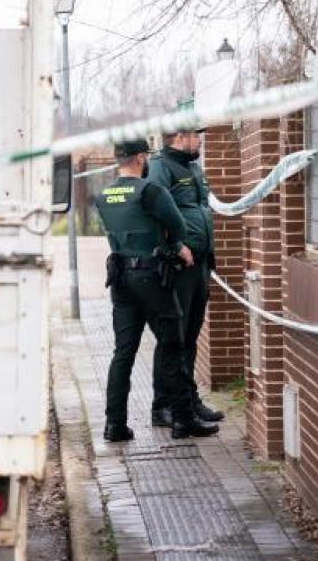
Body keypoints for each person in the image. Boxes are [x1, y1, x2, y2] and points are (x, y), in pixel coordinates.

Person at [93, 139, 220, 442]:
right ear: (139, 158)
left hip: (121, 278)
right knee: (172, 345)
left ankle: (115, 425)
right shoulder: (151, 191)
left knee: (123, 353)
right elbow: (178, 227)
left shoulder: (103, 195)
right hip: (153, 277)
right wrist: (176, 246)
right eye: (145, 156)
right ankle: (182, 420)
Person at [146, 122, 226, 428]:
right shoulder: (160, 167)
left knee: (190, 337)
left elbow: (201, 208)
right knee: (172, 339)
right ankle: (163, 405)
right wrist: (176, 246)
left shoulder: (193, 168)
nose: (200, 140)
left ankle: (188, 400)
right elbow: (153, 211)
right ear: (180, 137)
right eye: (196, 135)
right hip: (179, 266)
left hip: (200, 265)